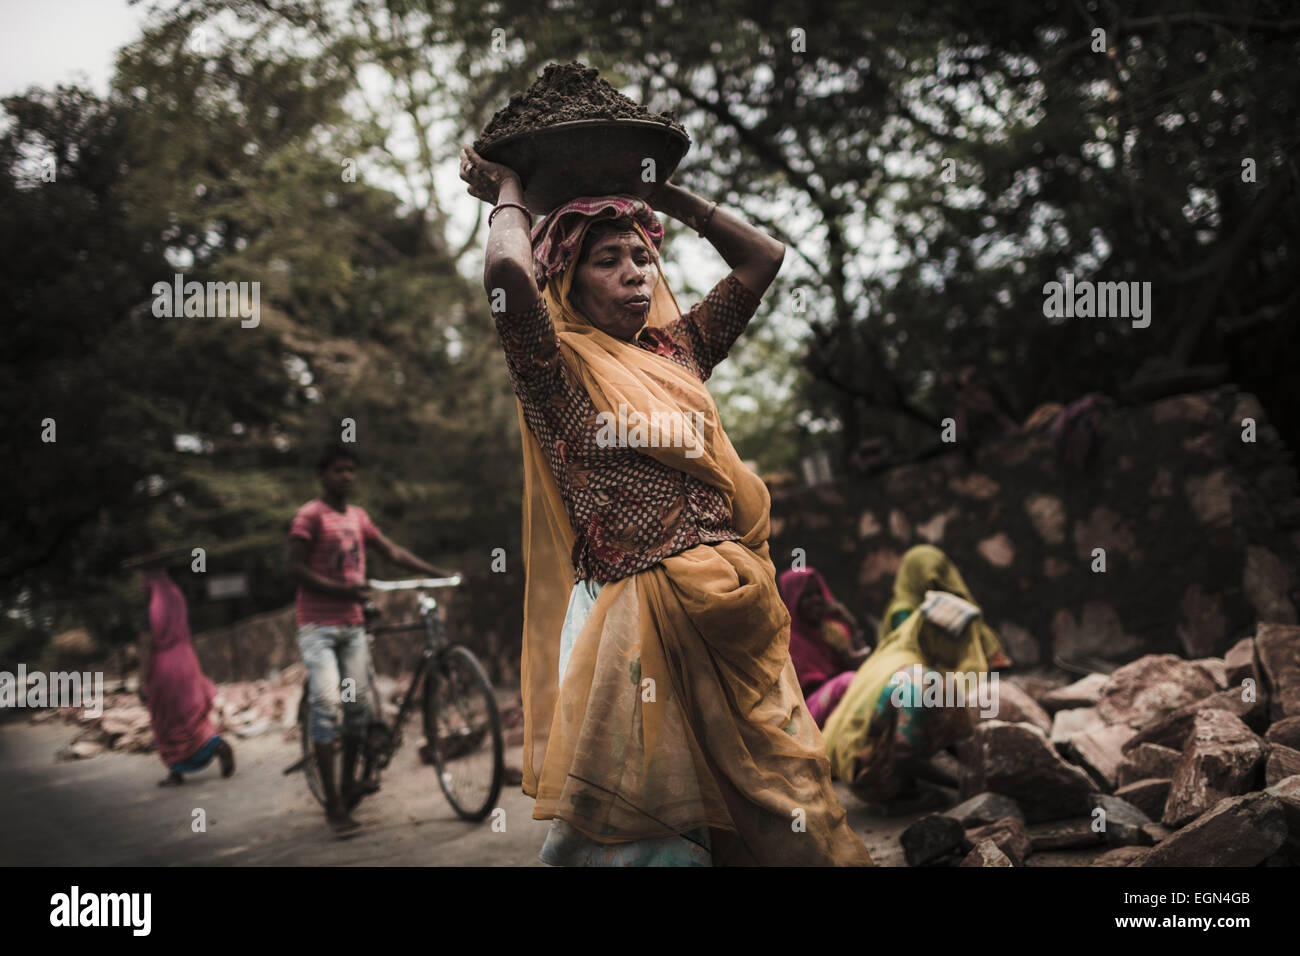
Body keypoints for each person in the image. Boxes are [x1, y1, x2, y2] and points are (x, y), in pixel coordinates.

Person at [460, 143, 872, 866]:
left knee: (779, 796)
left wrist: (663, 192)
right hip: (633, 624)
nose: (633, 273)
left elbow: (763, 258)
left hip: (734, 604)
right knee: (652, 826)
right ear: (566, 277)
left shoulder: (677, 354)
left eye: (642, 256)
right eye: (606, 260)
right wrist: (511, 187)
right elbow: (503, 272)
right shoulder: (552, 369)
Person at [288, 444, 454, 832]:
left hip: (353, 626)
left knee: (359, 707)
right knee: (328, 703)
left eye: (350, 470)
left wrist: (435, 572)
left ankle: (347, 790)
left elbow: (391, 551)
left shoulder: (358, 518)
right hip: (318, 628)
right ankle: (333, 806)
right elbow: (294, 568)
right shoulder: (310, 516)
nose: (346, 476)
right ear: (322, 476)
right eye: (338, 470)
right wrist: (341, 590)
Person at [820, 544, 1011, 806]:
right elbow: (904, 753)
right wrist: (962, 784)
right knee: (940, 797)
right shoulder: (919, 677)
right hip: (871, 780)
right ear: (938, 638)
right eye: (957, 641)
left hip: (850, 765)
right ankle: (895, 795)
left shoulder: (892, 654)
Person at [131, 555, 235, 787]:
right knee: (192, 713)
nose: (140, 585)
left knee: (167, 720)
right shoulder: (177, 600)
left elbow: (147, 648)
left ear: (149, 583)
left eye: (143, 580)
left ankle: (175, 772)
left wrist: (140, 681)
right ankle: (216, 743)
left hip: (164, 669)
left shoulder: (149, 612)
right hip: (187, 661)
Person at [778, 567, 871, 728]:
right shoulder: (785, 640)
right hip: (805, 715)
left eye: (818, 593)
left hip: (842, 699)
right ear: (793, 599)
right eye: (806, 596)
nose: (815, 600)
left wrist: (851, 625)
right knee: (846, 682)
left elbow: (863, 669)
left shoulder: (833, 631)